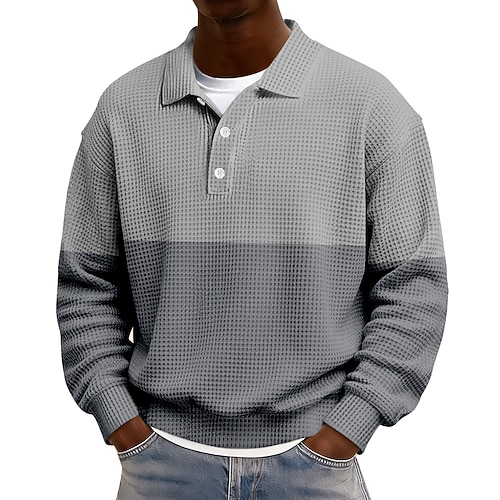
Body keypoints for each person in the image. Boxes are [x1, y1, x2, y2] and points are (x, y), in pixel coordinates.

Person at [57, 1, 448, 498]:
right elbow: (86, 286)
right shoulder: (122, 108)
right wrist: (119, 419)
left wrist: (348, 427)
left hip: (315, 468)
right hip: (160, 465)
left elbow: (414, 290)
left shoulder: (371, 106)